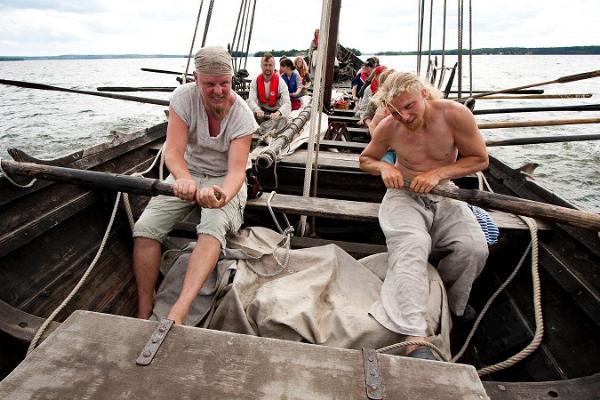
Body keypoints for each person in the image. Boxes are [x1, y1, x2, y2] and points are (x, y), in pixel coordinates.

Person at [359, 71, 489, 360]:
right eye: (395, 110)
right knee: (413, 244)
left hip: (444, 193)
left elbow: (479, 159)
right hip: (403, 194)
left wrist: (438, 173)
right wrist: (385, 168)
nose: (403, 116)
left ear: (425, 95)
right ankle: (414, 334)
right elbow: (366, 159)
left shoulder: (455, 115)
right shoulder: (389, 126)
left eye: (409, 106)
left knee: (474, 248)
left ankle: (449, 306)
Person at [132, 46, 258, 325]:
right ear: (195, 78)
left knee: (211, 229)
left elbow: (237, 172)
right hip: (186, 173)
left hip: (224, 180)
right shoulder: (182, 98)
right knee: (145, 229)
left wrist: (222, 195)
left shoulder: (243, 116)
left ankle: (181, 308)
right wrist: (184, 179)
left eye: (224, 83)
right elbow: (173, 152)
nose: (218, 90)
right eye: (209, 83)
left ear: (232, 79)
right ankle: (145, 305)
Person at [247, 52, 291, 120]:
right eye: (265, 65)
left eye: (270, 65)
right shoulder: (255, 81)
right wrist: (257, 109)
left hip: (276, 111)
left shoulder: (281, 82)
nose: (267, 68)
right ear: (261, 65)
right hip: (261, 111)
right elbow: (251, 100)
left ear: (274, 66)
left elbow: (287, 102)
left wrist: (278, 113)